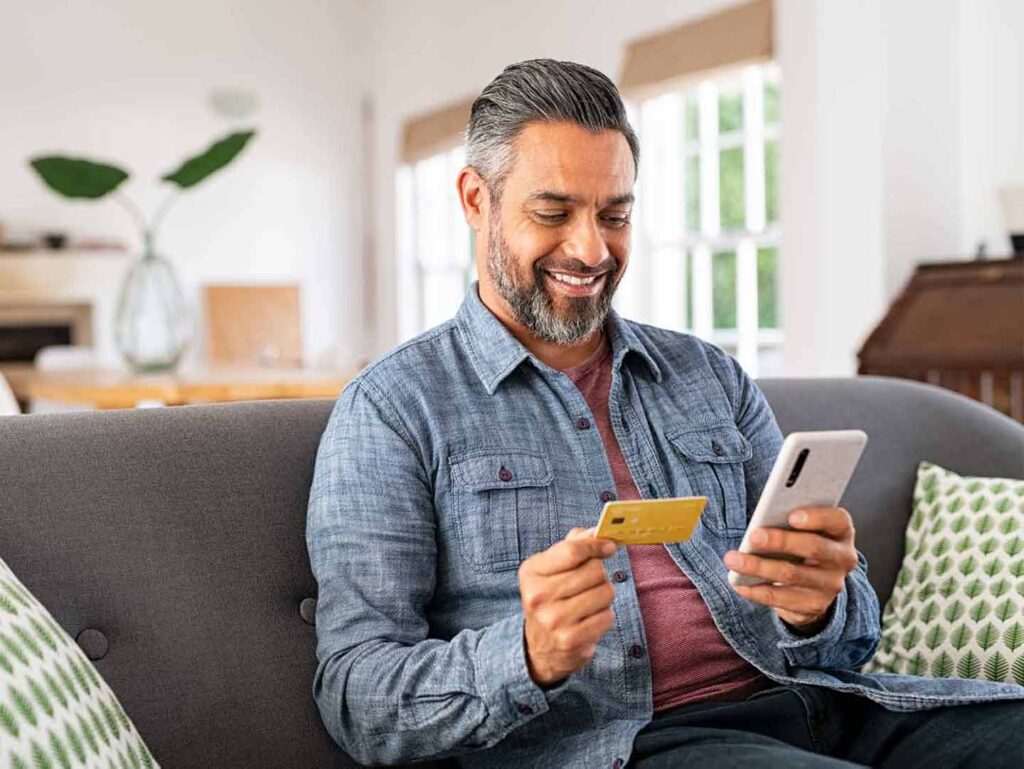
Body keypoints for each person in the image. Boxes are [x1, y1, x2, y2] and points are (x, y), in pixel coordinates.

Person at [306, 59, 1024, 768]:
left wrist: (821, 605)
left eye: (614, 215)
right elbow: (355, 697)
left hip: (824, 703)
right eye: (552, 212)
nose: (590, 249)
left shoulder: (708, 375)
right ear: (474, 199)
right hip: (627, 742)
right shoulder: (394, 408)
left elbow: (851, 632)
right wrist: (523, 655)